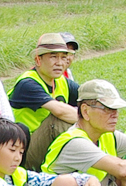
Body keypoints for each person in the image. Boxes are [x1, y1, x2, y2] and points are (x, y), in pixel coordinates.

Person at [8, 32, 81, 170]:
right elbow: (59, 111)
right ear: (38, 60)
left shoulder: (62, 81)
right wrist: (90, 118)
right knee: (57, 121)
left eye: (63, 57)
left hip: (45, 146)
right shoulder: (27, 83)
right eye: (53, 57)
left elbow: (88, 99)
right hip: (23, 150)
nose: (59, 63)